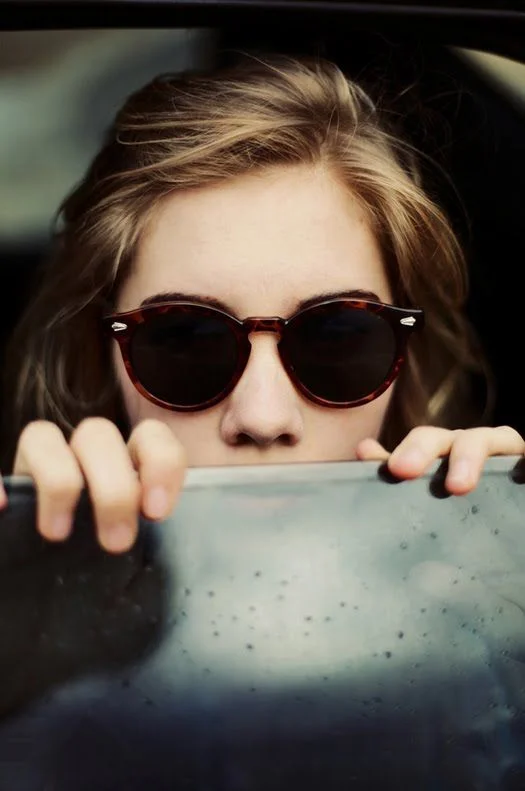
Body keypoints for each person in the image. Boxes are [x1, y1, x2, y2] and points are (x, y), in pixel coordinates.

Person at [0, 54, 523, 555]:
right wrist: (39, 572)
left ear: (405, 359)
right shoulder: (34, 590)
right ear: (100, 360)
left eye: (336, 336)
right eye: (186, 339)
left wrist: (495, 559)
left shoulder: (478, 563)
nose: (264, 419)